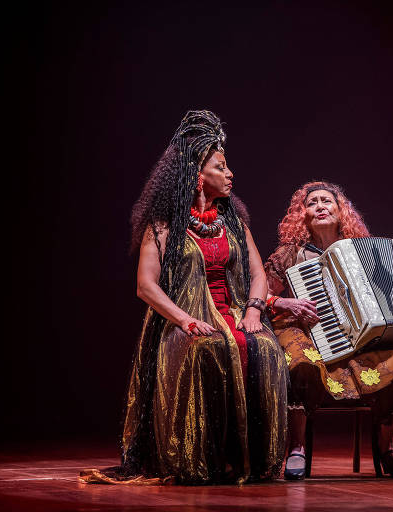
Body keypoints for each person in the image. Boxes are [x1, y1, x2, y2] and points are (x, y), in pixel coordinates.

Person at [80, 110, 287, 485]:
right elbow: (146, 285)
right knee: (203, 348)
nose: (230, 174)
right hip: (182, 317)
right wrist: (184, 319)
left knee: (267, 347)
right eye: (221, 167)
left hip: (235, 313)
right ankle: (201, 459)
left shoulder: (235, 224)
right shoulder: (162, 226)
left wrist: (255, 310)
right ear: (196, 175)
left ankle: (251, 461)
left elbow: (258, 274)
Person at [263, 181, 393, 479]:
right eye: (312, 202)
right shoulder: (289, 255)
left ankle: (388, 449)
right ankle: (297, 449)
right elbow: (261, 297)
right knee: (301, 364)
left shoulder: (362, 250)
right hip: (308, 332)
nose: (319, 206)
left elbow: (390, 294)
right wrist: (286, 302)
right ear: (302, 214)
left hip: (360, 340)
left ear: (341, 211)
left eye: (326, 201)